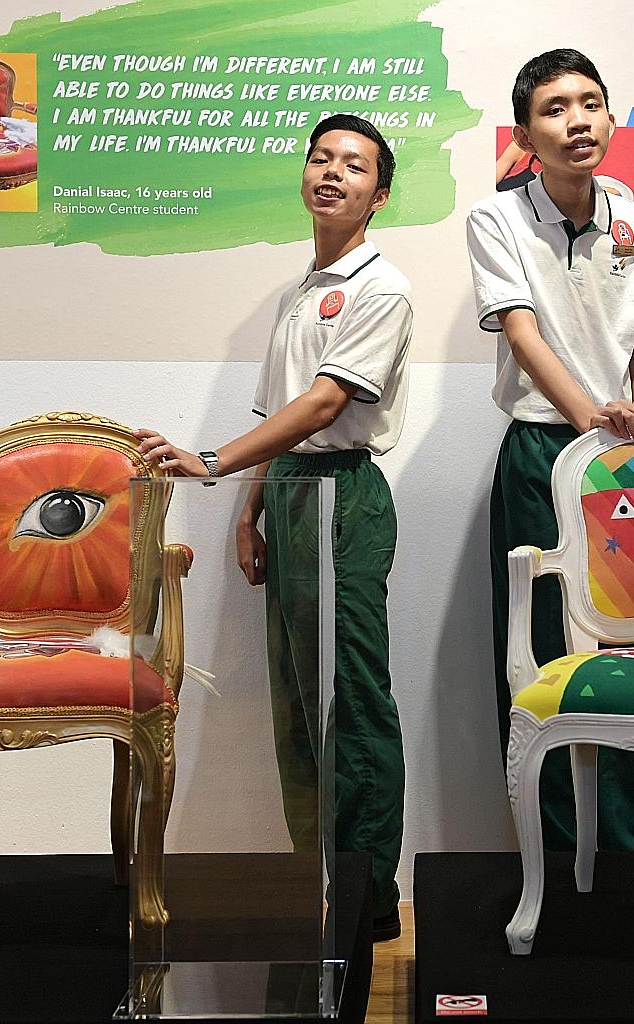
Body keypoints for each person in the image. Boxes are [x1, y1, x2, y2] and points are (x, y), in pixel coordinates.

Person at [136, 114, 411, 942]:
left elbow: (327, 406)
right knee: (297, 703)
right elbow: (285, 415)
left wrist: (212, 461)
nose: (332, 173)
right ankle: (315, 878)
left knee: (352, 702)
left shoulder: (380, 286)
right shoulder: (300, 292)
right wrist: (252, 505)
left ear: (379, 194)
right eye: (320, 158)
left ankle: (366, 898)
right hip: (291, 493)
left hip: (344, 499)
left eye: (353, 165)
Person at [466, 49, 634, 853]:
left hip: (629, 457)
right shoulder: (497, 219)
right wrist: (592, 422)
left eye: (590, 104)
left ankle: (631, 847)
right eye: (555, 109)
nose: (576, 121)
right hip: (542, 455)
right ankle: (553, 851)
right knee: (539, 658)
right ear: (526, 132)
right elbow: (522, 332)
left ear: (610, 119)